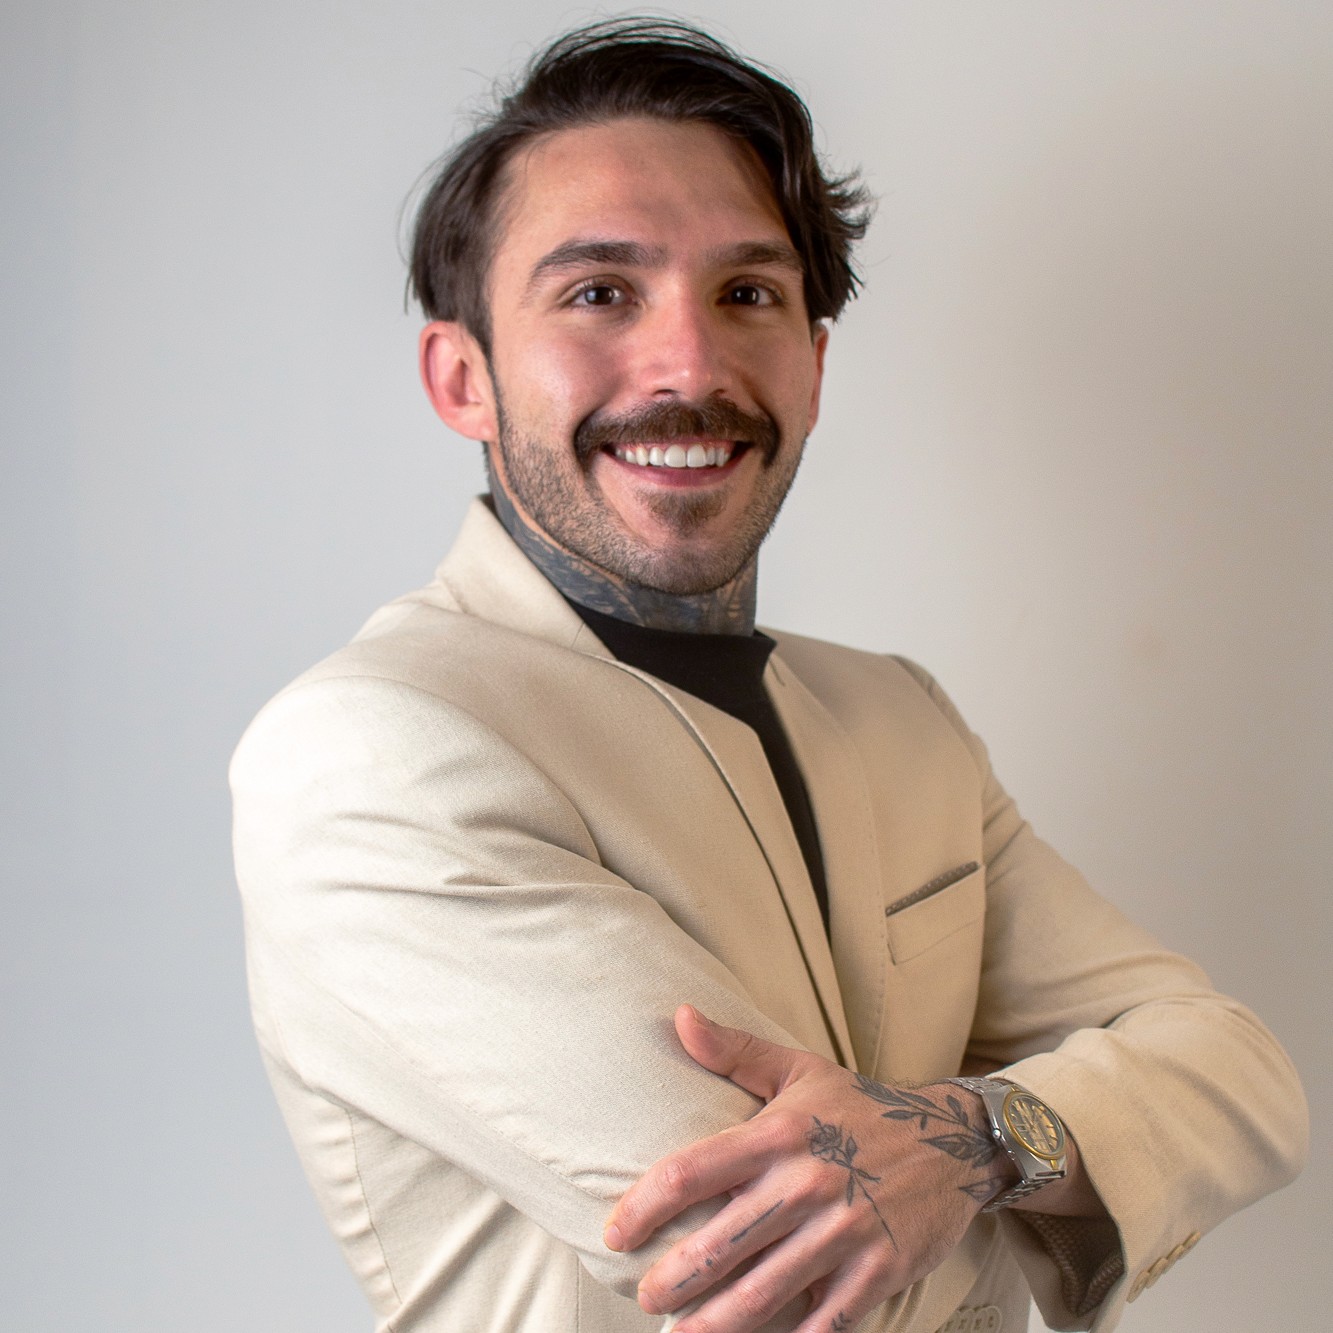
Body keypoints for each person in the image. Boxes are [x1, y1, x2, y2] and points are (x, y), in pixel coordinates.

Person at [230, 18, 1307, 1333]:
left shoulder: (899, 716)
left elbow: (1246, 1079)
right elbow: (791, 1272)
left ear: (814, 361)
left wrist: (973, 1138)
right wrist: (1076, 1143)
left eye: (747, 294)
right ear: (463, 377)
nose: (691, 367)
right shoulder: (372, 749)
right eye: (598, 293)